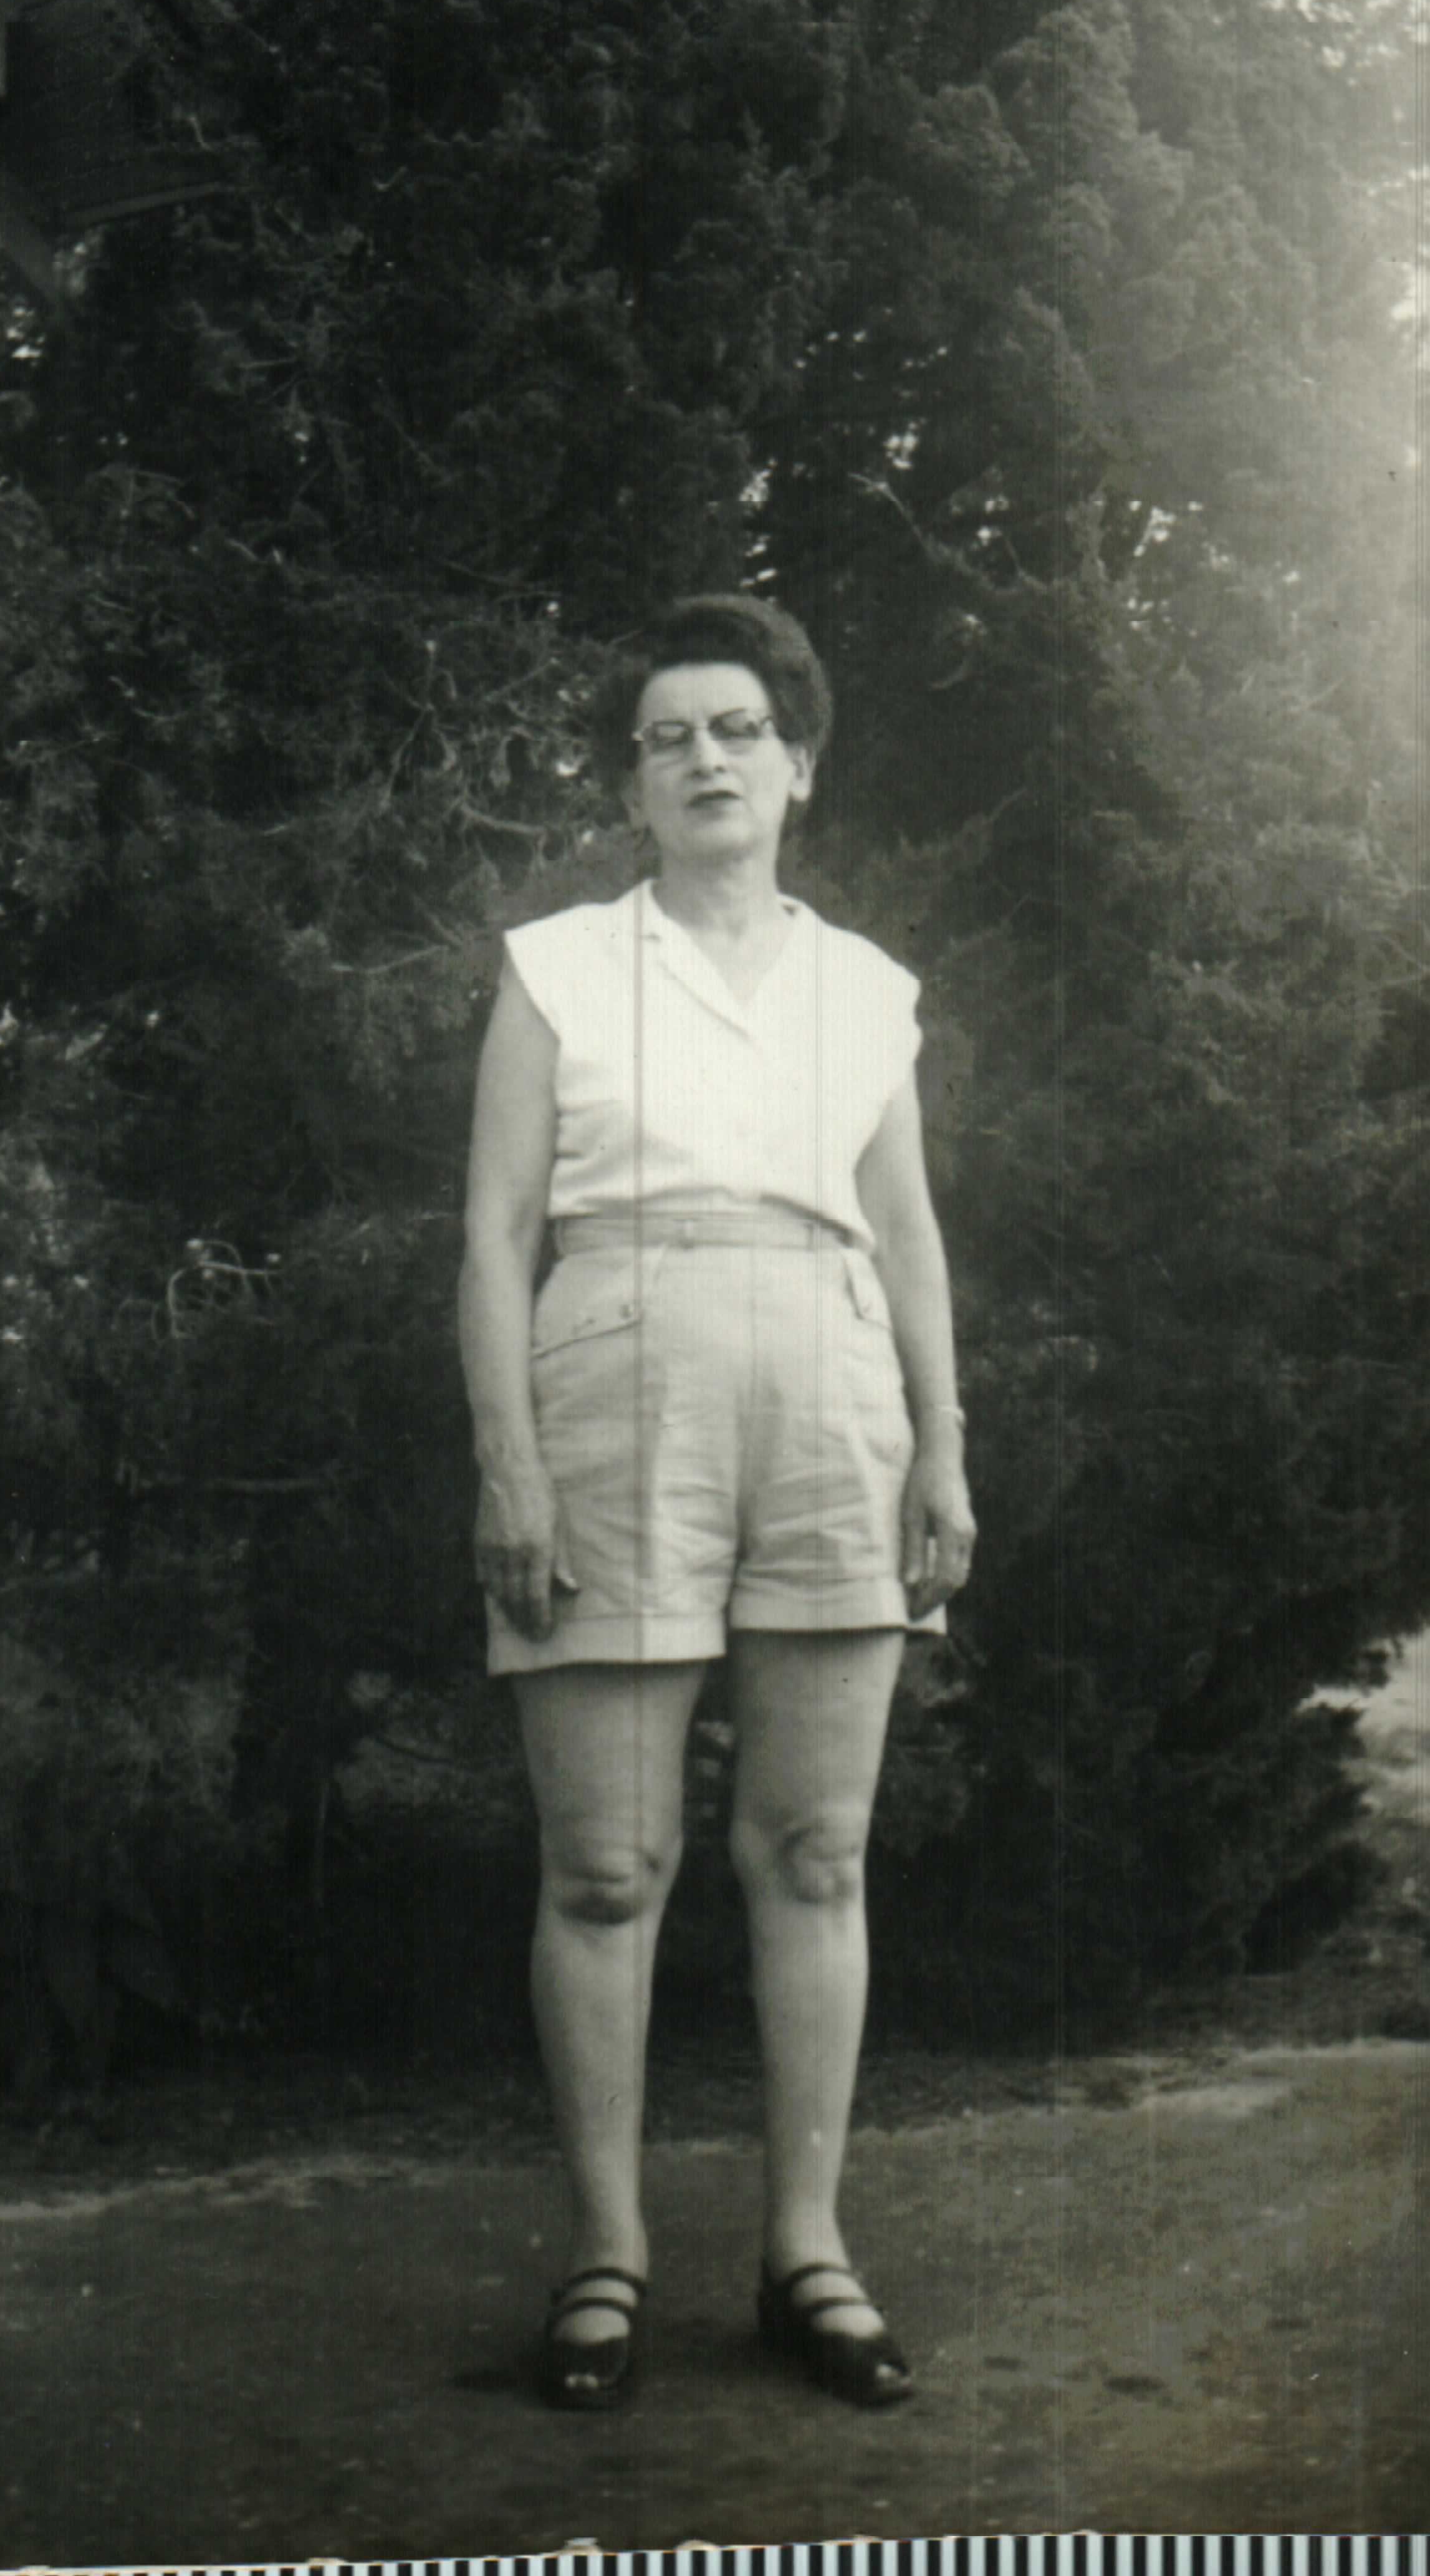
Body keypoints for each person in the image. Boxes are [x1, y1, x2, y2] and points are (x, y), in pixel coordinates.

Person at [457, 594, 975, 2413]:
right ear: (631, 786)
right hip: (615, 1381)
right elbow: (492, 1233)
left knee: (815, 1849)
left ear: (799, 768)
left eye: (738, 729)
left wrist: (944, 1444)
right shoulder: (556, 968)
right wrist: (510, 1462)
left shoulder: (868, 990)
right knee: (608, 1865)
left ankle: (806, 2254)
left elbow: (907, 1232)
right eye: (667, 736)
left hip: (831, 1392)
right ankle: (605, 2256)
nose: (704, 760)